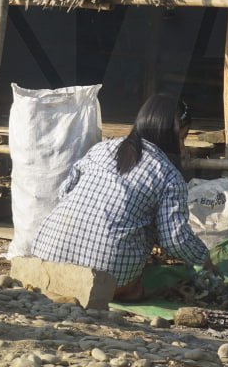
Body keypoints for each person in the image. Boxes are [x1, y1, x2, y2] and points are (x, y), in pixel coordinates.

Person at [31, 94, 216, 300]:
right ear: (171, 135)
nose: (182, 147)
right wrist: (205, 260)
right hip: (105, 275)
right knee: (137, 286)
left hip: (46, 258)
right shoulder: (169, 176)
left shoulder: (101, 149)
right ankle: (127, 292)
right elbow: (174, 240)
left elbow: (65, 192)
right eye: (182, 138)